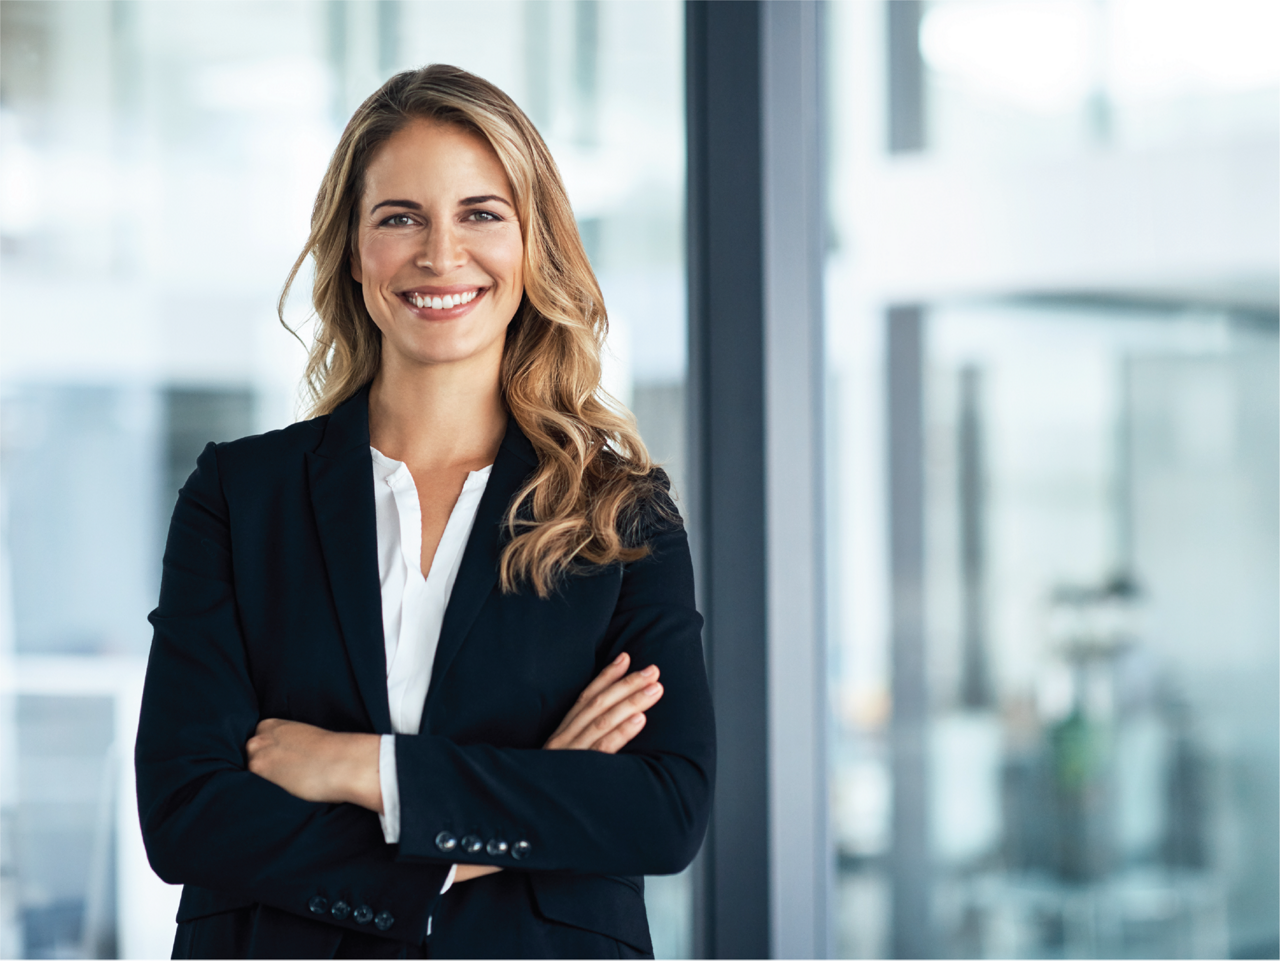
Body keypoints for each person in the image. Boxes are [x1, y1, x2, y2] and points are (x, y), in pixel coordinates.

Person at [134, 64, 714, 960]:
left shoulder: (617, 514)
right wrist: (527, 801)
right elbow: (186, 812)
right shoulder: (239, 496)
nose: (440, 255)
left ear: (534, 245)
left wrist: (362, 767)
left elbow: (663, 809)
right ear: (352, 250)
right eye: (400, 217)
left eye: (481, 214)